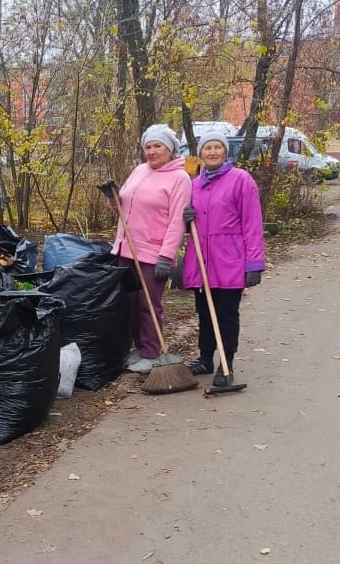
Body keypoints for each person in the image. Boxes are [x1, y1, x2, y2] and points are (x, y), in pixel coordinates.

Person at [102, 124, 191, 373]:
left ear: (170, 149)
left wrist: (166, 256)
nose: (152, 151)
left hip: (153, 253)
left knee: (148, 303)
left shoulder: (179, 178)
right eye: (148, 146)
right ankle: (140, 348)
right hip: (125, 248)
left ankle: (152, 352)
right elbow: (122, 206)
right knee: (129, 302)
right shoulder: (140, 170)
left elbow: (177, 220)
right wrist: (112, 197)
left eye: (158, 146)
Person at [182, 131, 265, 387]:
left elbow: (252, 223)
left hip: (229, 259)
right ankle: (205, 358)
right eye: (208, 147)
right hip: (201, 260)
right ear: (201, 153)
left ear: (225, 152)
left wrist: (254, 263)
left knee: (226, 314)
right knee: (205, 312)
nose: (212, 152)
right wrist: (185, 220)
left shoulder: (241, 180)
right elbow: (192, 226)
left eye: (218, 147)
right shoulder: (194, 184)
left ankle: (226, 364)